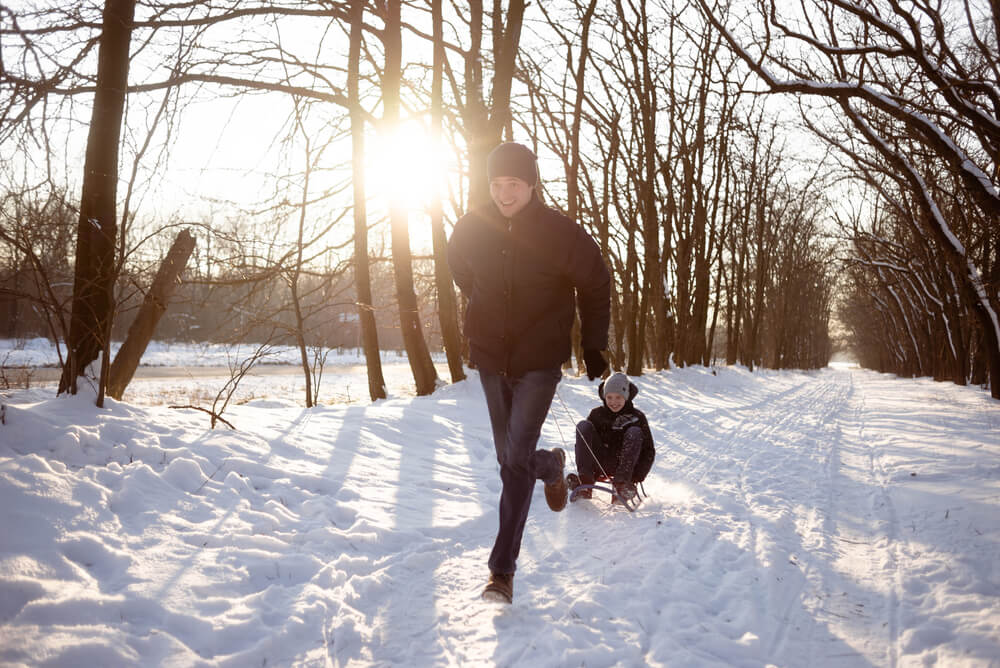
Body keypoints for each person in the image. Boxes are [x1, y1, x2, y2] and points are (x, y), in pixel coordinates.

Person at [447, 141, 611, 604]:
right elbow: (461, 270)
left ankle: (502, 572)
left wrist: (593, 344)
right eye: (496, 184)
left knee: (512, 457)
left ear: (532, 183)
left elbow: (597, 283)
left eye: (513, 184)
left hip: (539, 360)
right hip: (490, 359)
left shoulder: (560, 233)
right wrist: (483, 304)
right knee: (511, 457)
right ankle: (552, 465)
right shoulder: (471, 228)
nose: (503, 193)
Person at [568, 372, 655, 504]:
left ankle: (621, 486)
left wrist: (637, 476)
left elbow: (648, 451)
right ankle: (585, 482)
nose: (614, 402)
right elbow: (586, 442)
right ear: (604, 397)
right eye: (609, 397)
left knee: (634, 432)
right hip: (600, 461)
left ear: (626, 396)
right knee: (583, 426)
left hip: (625, 467)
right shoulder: (597, 414)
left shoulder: (637, 417)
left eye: (618, 397)